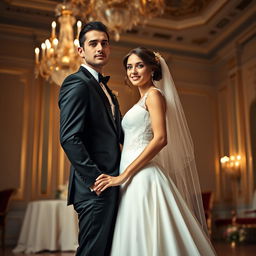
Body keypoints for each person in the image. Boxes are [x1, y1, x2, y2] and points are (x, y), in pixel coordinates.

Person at [95, 47, 216, 256]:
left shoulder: (154, 95)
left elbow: (160, 139)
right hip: (131, 175)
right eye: (129, 67)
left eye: (139, 65)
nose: (133, 71)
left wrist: (123, 176)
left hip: (142, 176)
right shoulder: (141, 101)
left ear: (152, 68)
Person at [58, 21, 123, 256]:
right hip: (96, 187)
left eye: (104, 43)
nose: (100, 48)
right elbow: (69, 137)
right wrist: (95, 180)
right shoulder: (76, 83)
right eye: (93, 43)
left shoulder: (108, 91)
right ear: (80, 51)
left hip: (114, 183)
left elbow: (120, 134)